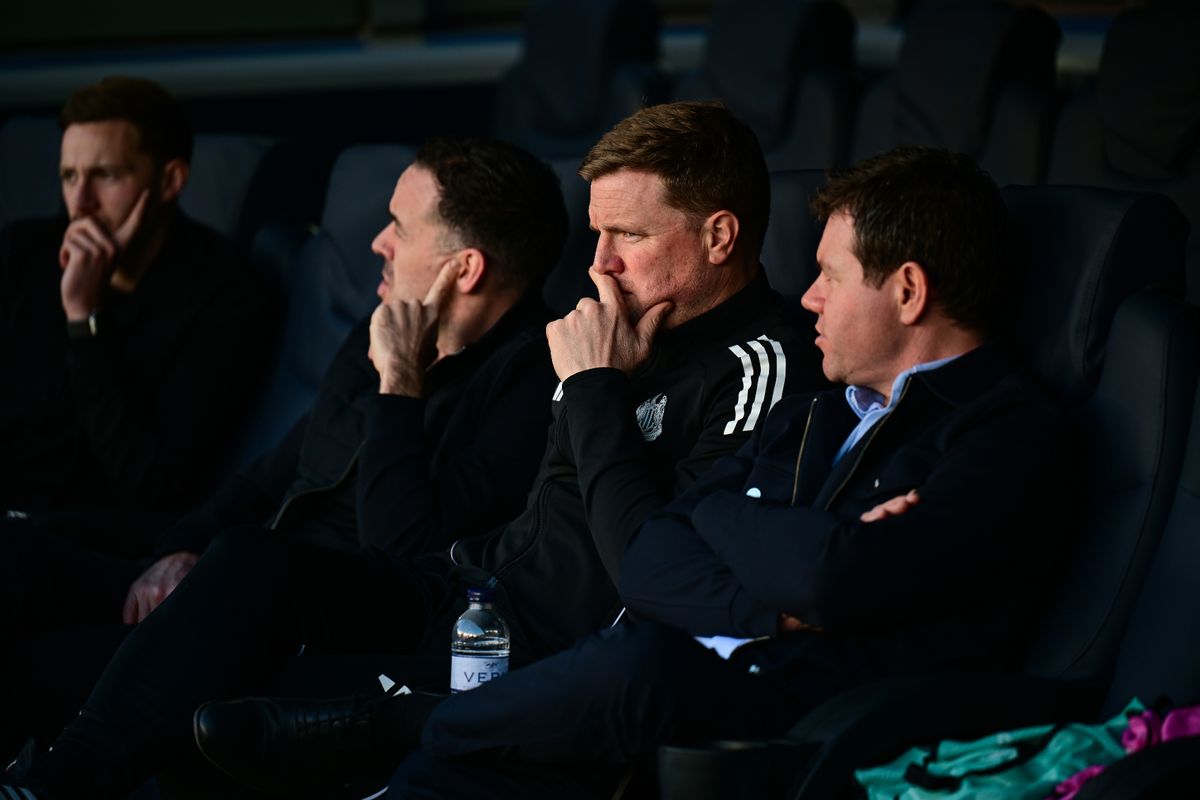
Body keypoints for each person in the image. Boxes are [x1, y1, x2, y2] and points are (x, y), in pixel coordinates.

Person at [1, 100, 813, 799]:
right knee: (250, 559)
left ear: (719, 236)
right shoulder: (617, 331)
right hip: (468, 589)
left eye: (627, 234)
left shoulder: (756, 366)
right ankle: (54, 782)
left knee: (240, 687)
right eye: (597, 234)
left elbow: (652, 569)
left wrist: (592, 389)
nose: (598, 264)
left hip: (543, 649)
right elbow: (535, 517)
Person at [370, 146, 1078, 798]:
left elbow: (832, 577)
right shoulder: (814, 415)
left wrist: (739, 530)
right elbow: (650, 560)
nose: (810, 298)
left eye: (831, 276)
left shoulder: (1006, 434)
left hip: (812, 716)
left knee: (627, 667)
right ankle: (406, 746)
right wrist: (781, 581)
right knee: (454, 775)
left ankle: (396, 726)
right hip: (690, 675)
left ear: (909, 291)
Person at [0, 135, 566, 764]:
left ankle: (60, 779)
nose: (378, 242)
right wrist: (178, 551)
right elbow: (270, 476)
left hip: (304, 614)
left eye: (400, 229)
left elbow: (405, 552)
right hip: (229, 577)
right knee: (14, 546)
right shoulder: (380, 324)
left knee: (30, 666)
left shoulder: (531, 383)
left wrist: (399, 384)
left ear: (464, 269)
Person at [0, 75, 276, 518]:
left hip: (92, 539)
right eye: (69, 176)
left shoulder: (227, 294)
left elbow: (148, 485)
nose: (81, 202)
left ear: (169, 181)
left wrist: (85, 318)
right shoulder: (21, 253)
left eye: (106, 175)